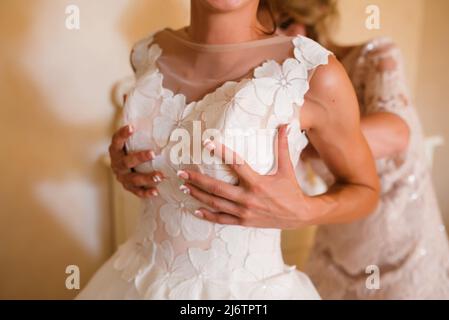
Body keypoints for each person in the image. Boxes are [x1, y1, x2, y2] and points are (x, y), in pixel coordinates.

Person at [77, 0, 379, 299]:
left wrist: (303, 211)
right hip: (137, 281)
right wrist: (127, 164)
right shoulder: (148, 52)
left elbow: (365, 189)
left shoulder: (311, 73)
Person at [269, 0, 449, 299]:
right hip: (338, 247)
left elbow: (396, 133)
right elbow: (296, 181)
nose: (280, 35)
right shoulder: (287, 90)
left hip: (403, 247)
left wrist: (308, 136)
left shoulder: (373, 57)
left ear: (313, 18)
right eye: (268, 27)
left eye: (288, 22)